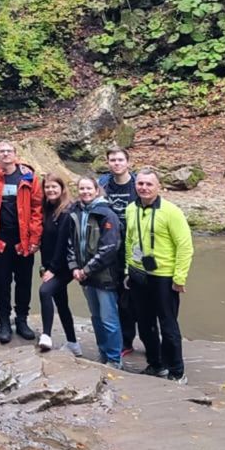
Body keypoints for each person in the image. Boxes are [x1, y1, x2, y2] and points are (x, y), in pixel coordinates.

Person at [126, 170, 194, 382]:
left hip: (164, 276)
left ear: (158, 187)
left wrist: (179, 278)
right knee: (145, 324)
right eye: (140, 183)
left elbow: (185, 246)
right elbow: (130, 241)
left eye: (149, 184)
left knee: (168, 325)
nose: (144, 188)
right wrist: (129, 270)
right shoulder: (131, 209)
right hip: (139, 274)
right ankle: (156, 364)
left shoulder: (171, 212)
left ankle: (177, 371)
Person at [0, 141, 43, 344]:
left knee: (24, 282)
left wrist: (34, 239)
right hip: (0, 240)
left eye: (9, 151)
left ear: (15, 154)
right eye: (2, 151)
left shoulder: (29, 177)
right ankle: (4, 321)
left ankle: (22, 320)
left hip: (23, 240)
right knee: (2, 282)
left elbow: (37, 210)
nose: (5, 154)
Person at [66, 175, 124, 366]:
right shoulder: (76, 212)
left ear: (97, 190)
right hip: (85, 275)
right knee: (96, 317)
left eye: (89, 188)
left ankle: (115, 360)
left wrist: (87, 270)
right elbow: (71, 242)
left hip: (104, 275)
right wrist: (74, 266)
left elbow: (110, 248)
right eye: (82, 189)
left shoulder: (107, 214)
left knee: (109, 319)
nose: (85, 192)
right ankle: (103, 353)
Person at [98, 147, 138, 357]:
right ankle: (124, 340)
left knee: (132, 296)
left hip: (134, 247)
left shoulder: (137, 185)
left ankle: (140, 339)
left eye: (120, 160)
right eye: (112, 160)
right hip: (109, 247)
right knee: (115, 294)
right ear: (108, 163)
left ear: (128, 162)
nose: (116, 163)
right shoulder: (103, 184)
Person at [36, 173, 80, 356]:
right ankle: (73, 344)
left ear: (62, 189)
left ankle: (46, 335)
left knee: (45, 291)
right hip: (50, 264)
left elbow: (62, 243)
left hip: (64, 266)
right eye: (47, 187)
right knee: (61, 302)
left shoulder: (66, 212)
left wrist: (52, 269)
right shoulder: (47, 209)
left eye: (54, 187)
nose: (50, 190)